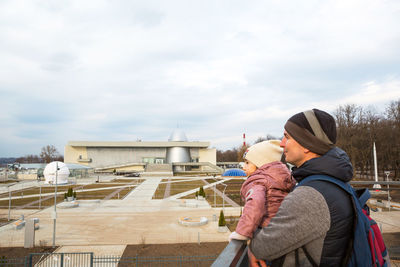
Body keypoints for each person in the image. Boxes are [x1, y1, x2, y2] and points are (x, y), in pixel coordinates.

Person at [249, 109, 354, 266]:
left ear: (307, 144)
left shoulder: (310, 195)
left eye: (287, 137)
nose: (282, 143)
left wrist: (252, 228)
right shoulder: (334, 182)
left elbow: (262, 248)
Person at [229, 140, 295, 244]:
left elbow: (255, 203)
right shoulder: (282, 178)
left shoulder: (258, 181)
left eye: (247, 163)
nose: (243, 167)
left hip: (267, 233)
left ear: (260, 164)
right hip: (284, 230)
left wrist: (242, 232)